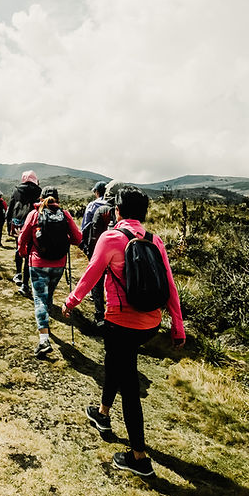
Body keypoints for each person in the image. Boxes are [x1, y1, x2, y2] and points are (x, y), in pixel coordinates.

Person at [62, 186, 186, 478]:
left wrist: (70, 302)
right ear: (144, 213)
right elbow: (169, 286)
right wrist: (177, 327)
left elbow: (91, 274)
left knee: (129, 386)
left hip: (120, 322)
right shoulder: (155, 240)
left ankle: (139, 458)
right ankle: (103, 414)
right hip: (150, 323)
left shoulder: (112, 237)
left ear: (117, 210)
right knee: (115, 363)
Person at [17, 186, 82, 358]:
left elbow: (22, 238)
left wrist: (23, 252)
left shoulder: (35, 214)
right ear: (58, 199)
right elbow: (78, 239)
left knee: (39, 298)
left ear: (41, 197)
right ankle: (46, 321)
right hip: (58, 264)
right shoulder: (65, 215)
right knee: (48, 295)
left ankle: (44, 340)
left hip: (38, 263)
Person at [6, 170, 42, 296]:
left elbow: (10, 208)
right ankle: (26, 283)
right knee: (30, 251)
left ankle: (18, 274)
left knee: (19, 247)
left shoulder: (16, 191)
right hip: (33, 224)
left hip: (18, 223)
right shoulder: (38, 191)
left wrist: (8, 224)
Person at [79, 181, 110, 326]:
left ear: (97, 192)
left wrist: (84, 246)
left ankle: (100, 314)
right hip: (115, 246)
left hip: (96, 245)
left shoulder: (93, 206)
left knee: (96, 276)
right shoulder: (115, 206)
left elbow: (85, 227)